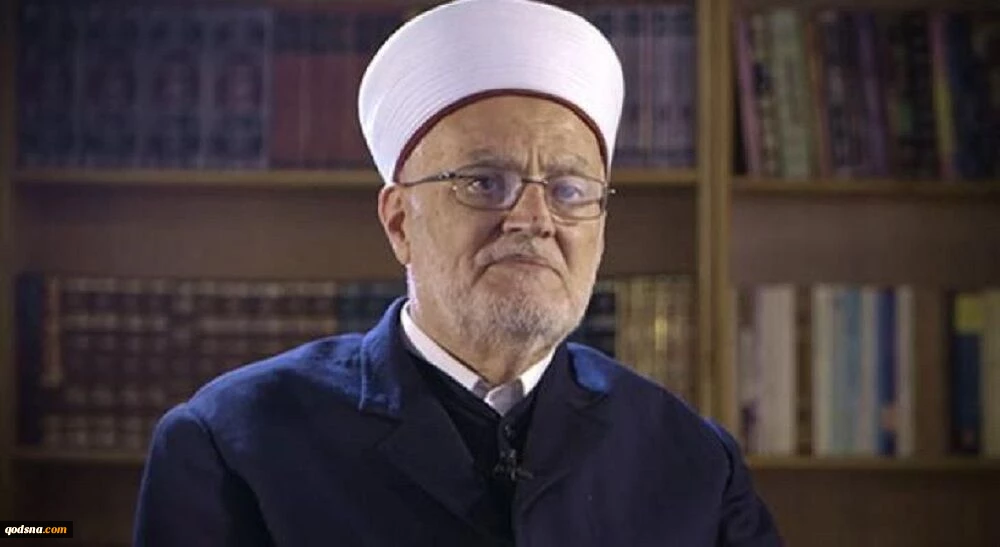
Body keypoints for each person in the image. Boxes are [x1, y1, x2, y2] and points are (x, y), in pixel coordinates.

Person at [133, 0, 782, 545]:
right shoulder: (233, 447)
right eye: (483, 182)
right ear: (399, 222)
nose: (534, 218)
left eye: (569, 189)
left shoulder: (694, 462)